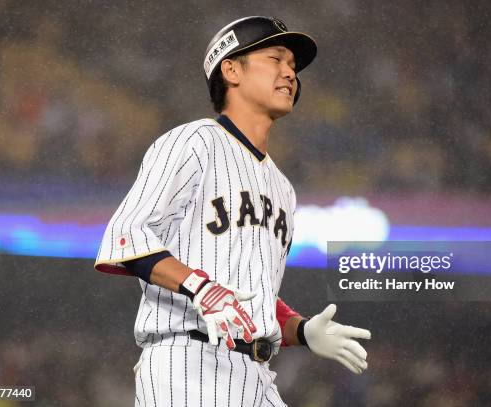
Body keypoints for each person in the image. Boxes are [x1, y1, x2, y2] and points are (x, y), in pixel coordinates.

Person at [94, 16, 371, 406]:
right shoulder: (194, 141)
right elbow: (125, 237)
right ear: (231, 69)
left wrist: (302, 330)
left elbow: (251, 297)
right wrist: (200, 287)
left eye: (293, 66)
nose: (289, 73)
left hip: (257, 373)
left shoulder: (283, 188)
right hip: (188, 362)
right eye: (276, 59)